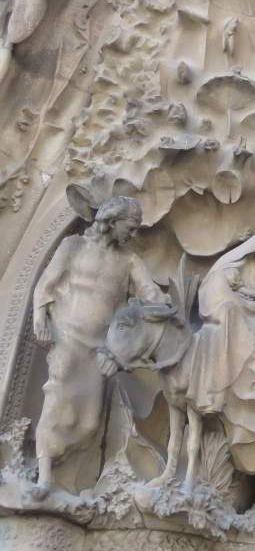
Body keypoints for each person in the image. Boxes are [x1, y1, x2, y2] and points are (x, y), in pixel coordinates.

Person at [31, 196, 166, 497]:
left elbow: (150, 292)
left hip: (100, 349)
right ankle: (44, 476)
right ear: (113, 221)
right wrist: (40, 316)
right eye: (130, 227)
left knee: (89, 423)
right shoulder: (73, 246)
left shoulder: (129, 260)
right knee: (56, 400)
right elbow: (46, 284)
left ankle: (62, 469)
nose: (133, 234)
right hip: (67, 336)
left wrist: (163, 305)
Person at [186, 223, 255, 492]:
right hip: (232, 327)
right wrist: (245, 304)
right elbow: (215, 296)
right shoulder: (234, 264)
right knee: (230, 316)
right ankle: (220, 394)